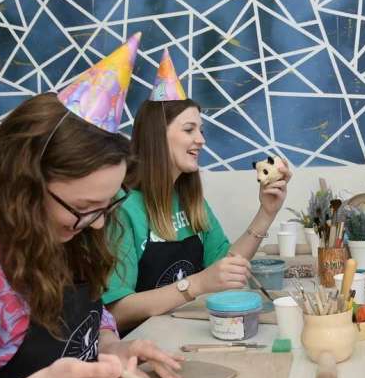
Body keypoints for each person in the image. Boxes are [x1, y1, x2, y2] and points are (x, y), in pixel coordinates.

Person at [0, 34, 182, 378]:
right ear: (26, 185)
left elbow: (92, 313)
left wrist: (111, 349)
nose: (98, 226)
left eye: (105, 207)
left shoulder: (71, 226)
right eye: (84, 207)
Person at [104, 51, 291, 333]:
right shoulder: (123, 207)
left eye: (200, 130)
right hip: (142, 347)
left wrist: (266, 213)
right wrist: (195, 285)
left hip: (185, 334)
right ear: (157, 135)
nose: (201, 140)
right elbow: (116, 311)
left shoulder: (190, 200)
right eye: (189, 129)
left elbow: (223, 267)